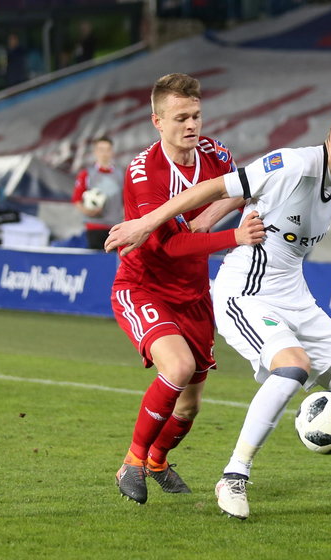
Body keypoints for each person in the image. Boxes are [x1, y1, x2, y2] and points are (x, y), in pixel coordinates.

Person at [104, 100, 331, 518]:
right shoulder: (295, 164)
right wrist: (149, 223)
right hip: (246, 291)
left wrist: (206, 221)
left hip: (295, 295)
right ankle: (234, 477)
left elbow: (243, 192)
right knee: (291, 367)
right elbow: (220, 185)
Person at [111, 73, 265, 505]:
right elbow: (172, 244)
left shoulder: (214, 153)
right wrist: (233, 237)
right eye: (181, 118)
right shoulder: (145, 173)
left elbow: (242, 188)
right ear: (157, 121)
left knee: (188, 406)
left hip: (195, 296)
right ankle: (133, 461)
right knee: (176, 368)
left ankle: (158, 460)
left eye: (196, 115)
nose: (191, 125)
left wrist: (212, 216)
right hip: (144, 287)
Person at [71, 137, 125, 250]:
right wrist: (87, 211)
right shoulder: (86, 174)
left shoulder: (121, 174)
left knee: (114, 262)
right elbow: (76, 199)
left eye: (107, 149)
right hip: (94, 227)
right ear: (95, 152)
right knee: (96, 262)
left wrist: (124, 217)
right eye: (101, 149)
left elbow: (127, 200)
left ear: (112, 152)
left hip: (115, 227)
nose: (104, 153)